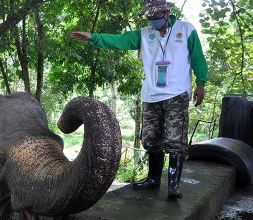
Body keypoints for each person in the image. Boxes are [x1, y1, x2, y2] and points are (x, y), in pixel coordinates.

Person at [70, 0, 208, 199]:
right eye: (149, 17)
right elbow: (120, 41)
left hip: (177, 94)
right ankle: (153, 179)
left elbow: (198, 58)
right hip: (151, 95)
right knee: (151, 139)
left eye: (156, 17)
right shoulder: (144, 34)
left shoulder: (186, 30)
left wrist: (201, 83)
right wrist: (93, 38)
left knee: (175, 140)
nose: (152, 20)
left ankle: (173, 186)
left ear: (167, 13)